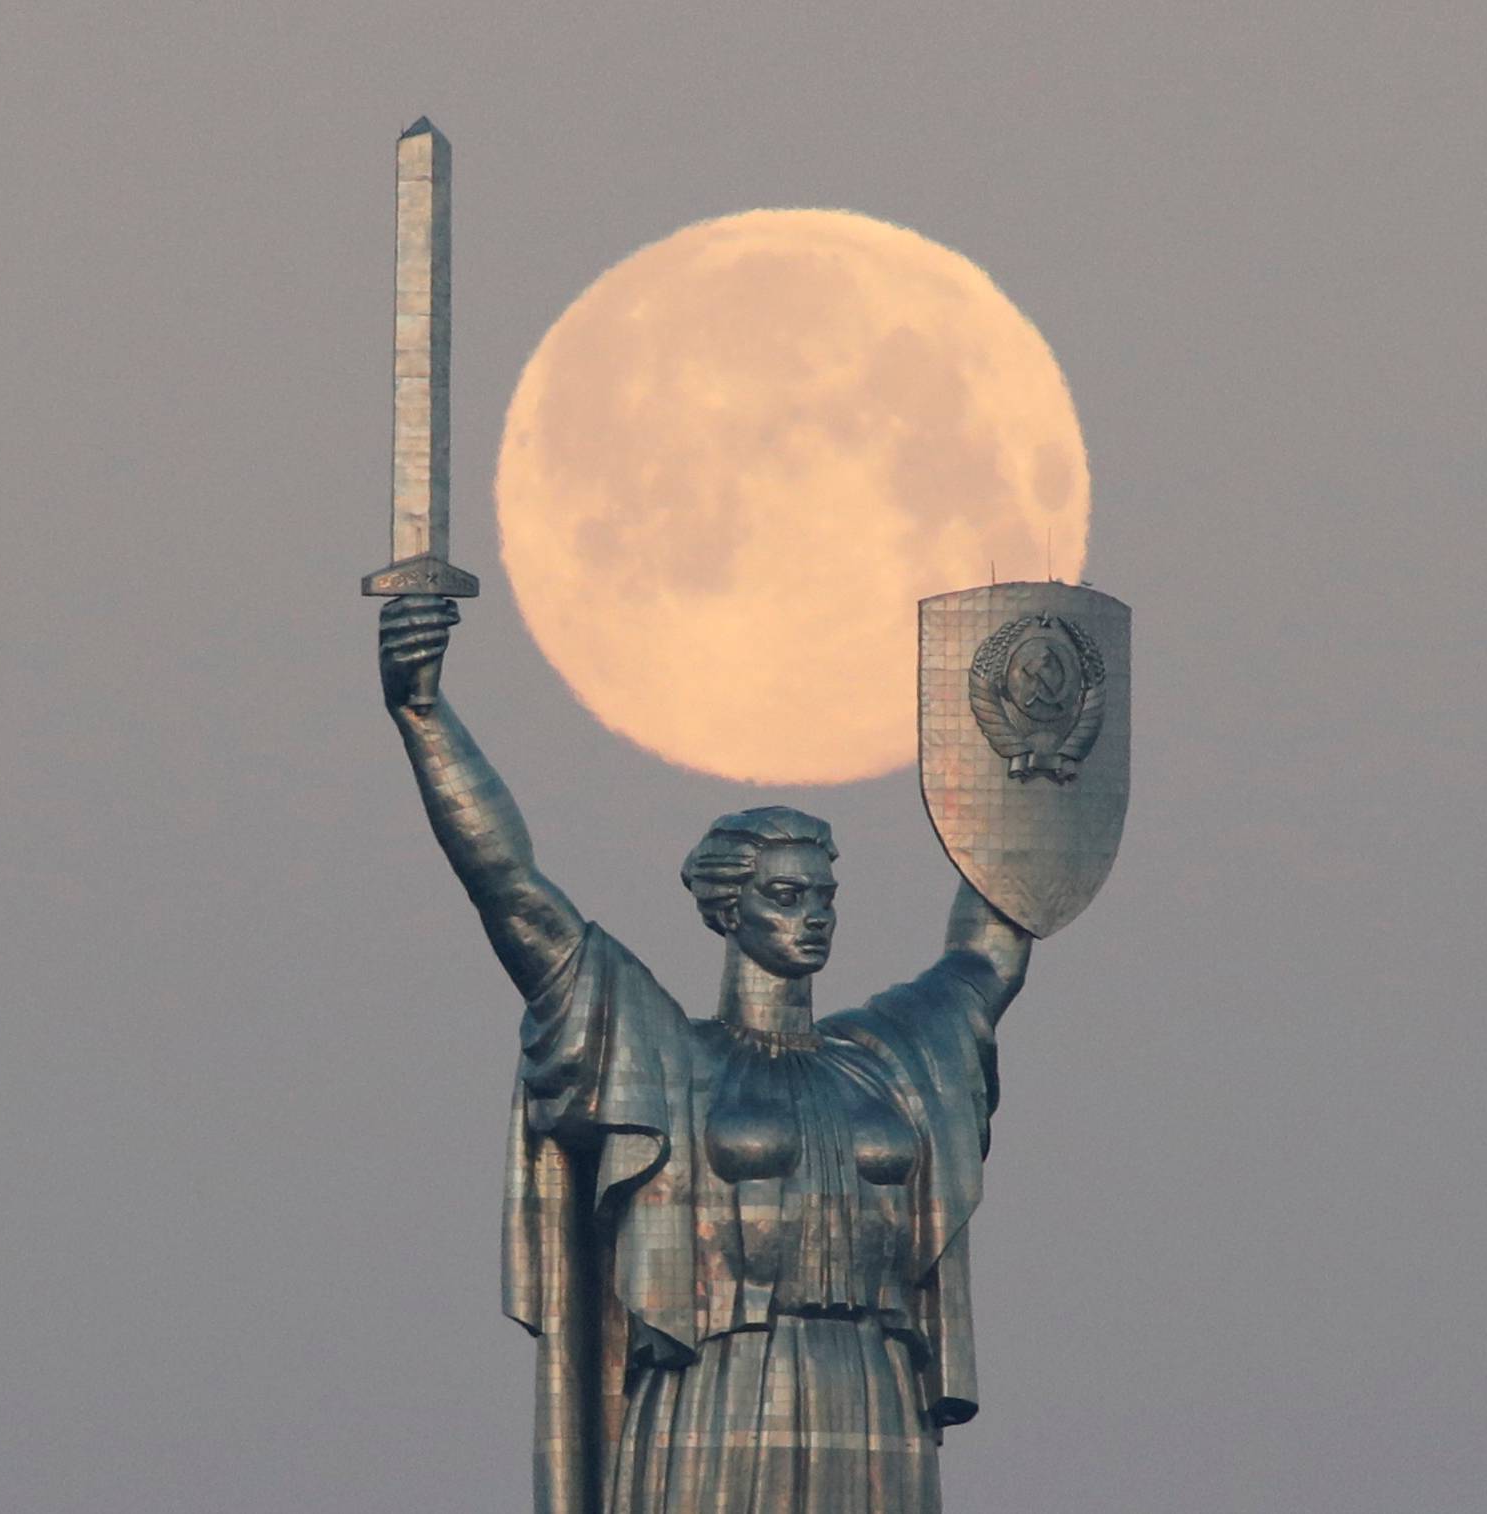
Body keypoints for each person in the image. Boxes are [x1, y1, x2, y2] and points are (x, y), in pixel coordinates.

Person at [380, 594, 1032, 1514]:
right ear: (730, 908)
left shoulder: (891, 1059)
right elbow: (514, 892)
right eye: (784, 895)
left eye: (823, 897)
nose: (811, 916)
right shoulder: (669, 1058)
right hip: (718, 1385)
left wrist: (1024, 766)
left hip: (875, 1388)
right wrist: (422, 716)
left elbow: (991, 949)